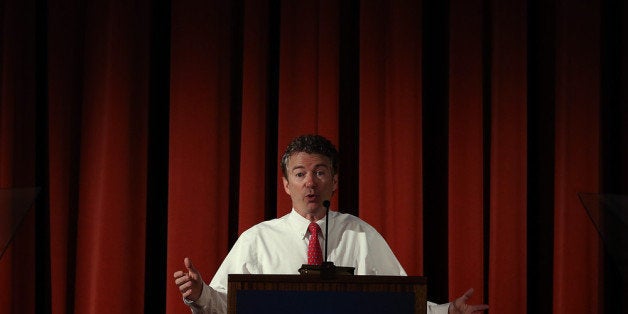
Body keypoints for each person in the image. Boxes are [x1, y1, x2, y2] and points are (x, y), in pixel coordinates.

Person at [174, 134, 489, 314]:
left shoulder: (360, 235)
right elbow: (224, 306)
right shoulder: (257, 240)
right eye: (300, 174)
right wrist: (199, 293)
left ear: (334, 181)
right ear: (286, 184)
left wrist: (447, 311)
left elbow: (404, 301)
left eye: (320, 172)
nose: (310, 183)